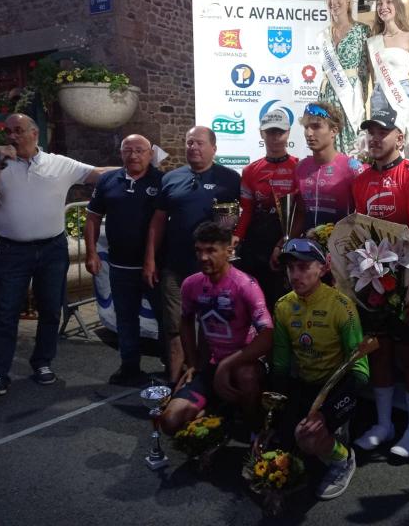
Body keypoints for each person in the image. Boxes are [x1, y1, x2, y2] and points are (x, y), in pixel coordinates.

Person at [0, 113, 112, 395]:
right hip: (12, 251)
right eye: (8, 131)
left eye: (18, 130)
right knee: (5, 312)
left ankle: (42, 362)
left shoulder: (58, 163)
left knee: (50, 309)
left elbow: (98, 174)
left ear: (34, 134)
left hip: (52, 249)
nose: (12, 136)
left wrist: (138, 164)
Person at [351, 107, 409, 459]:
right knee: (379, 352)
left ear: (399, 137)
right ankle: (384, 424)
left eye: (382, 132)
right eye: (370, 132)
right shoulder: (360, 179)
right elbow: (358, 233)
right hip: (373, 279)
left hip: (407, 280)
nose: (374, 138)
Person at [272, 238, 369, 499]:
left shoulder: (342, 306)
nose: (295, 275)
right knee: (281, 442)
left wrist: (325, 414)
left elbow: (361, 371)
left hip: (338, 391)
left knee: (308, 438)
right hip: (305, 385)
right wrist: (273, 411)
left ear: (323, 268)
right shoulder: (283, 306)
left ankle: (344, 459)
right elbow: (280, 364)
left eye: (304, 267)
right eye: (290, 268)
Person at [143, 126, 240, 385]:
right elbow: (158, 221)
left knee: (210, 329)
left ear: (213, 148)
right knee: (174, 328)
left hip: (212, 271)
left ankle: (203, 382)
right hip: (174, 268)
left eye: (199, 143)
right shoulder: (170, 178)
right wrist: (150, 259)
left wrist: (234, 240)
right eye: (189, 143)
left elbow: (238, 220)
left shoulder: (231, 179)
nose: (193, 147)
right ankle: (175, 385)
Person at [159, 222, 273, 435]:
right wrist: (192, 363)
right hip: (212, 364)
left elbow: (267, 336)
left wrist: (226, 365)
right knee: (170, 421)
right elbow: (185, 320)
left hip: (245, 364)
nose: (203, 257)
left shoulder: (246, 285)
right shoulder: (191, 284)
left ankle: (253, 432)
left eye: (211, 250)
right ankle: (216, 412)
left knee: (246, 376)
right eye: (199, 250)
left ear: (229, 251)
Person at [84, 134, 163, 386]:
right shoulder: (107, 180)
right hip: (120, 267)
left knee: (166, 319)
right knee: (125, 320)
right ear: (121, 153)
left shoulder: (163, 181)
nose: (134, 155)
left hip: (156, 268)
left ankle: (172, 368)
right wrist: (91, 253)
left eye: (140, 150)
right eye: (128, 150)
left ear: (150, 154)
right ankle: (129, 368)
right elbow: (93, 217)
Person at [233, 109, 298, 308]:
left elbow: (302, 211)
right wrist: (237, 236)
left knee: (287, 301)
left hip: (288, 240)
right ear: (262, 134)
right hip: (258, 243)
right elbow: (247, 210)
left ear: (288, 133)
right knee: (257, 301)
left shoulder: (300, 167)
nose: (275, 137)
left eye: (280, 132)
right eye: (270, 132)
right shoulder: (250, 170)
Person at [367, 0, 409, 162]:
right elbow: (374, 79)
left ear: (398, 5)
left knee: (403, 147)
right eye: (379, 3)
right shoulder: (372, 42)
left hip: (403, 98)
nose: (383, 7)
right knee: (380, 144)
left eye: (389, 2)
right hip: (379, 98)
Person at [319, 0, 372, 154]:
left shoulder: (362, 31)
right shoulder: (323, 35)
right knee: (328, 148)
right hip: (327, 98)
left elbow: (365, 70)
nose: (333, 2)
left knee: (353, 150)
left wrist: (361, 99)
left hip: (351, 98)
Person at [294, 101, 364, 233]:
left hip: (341, 244)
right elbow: (300, 214)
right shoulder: (301, 168)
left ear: (334, 131)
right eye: (306, 127)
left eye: (316, 126)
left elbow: (364, 216)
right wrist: (286, 241)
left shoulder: (352, 168)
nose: (309, 133)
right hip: (306, 244)